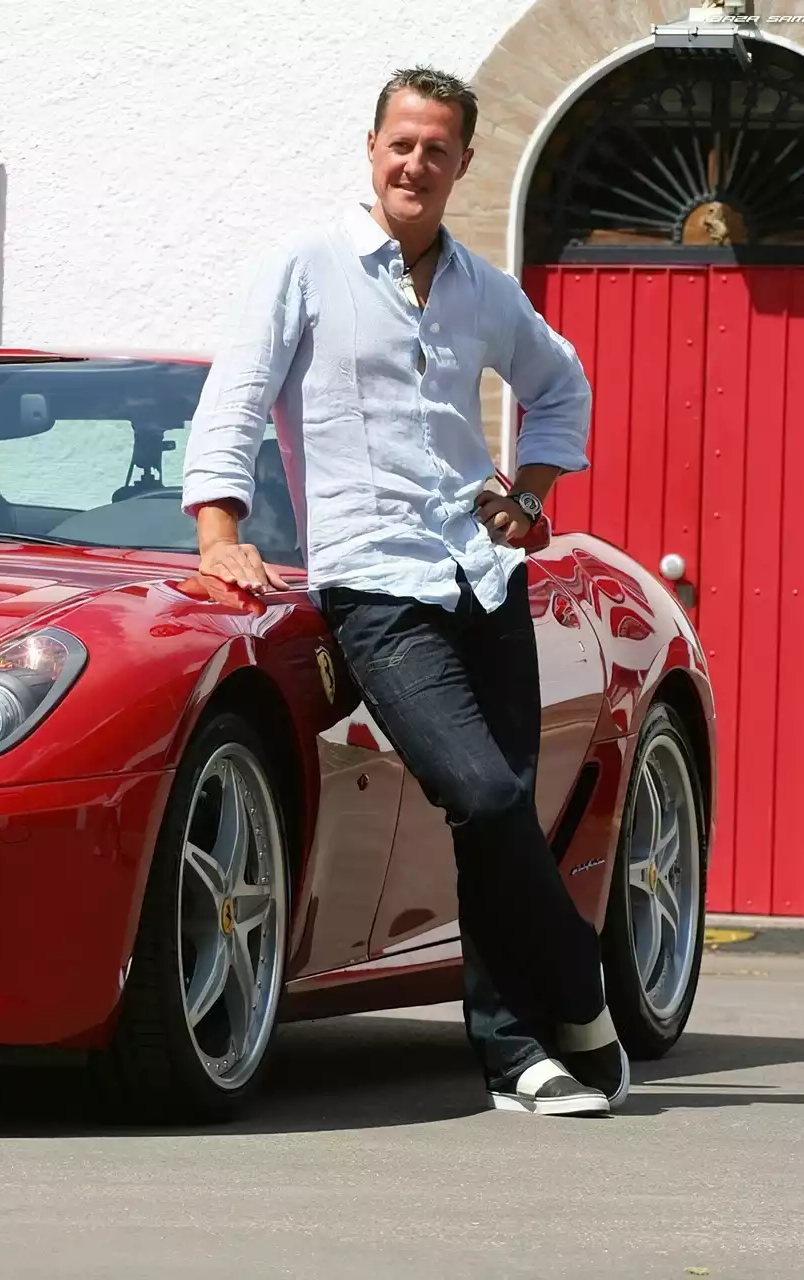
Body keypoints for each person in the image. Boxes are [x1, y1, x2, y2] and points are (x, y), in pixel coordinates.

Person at [179, 66, 627, 1117]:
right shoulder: (306, 266)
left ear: (464, 163)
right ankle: (577, 984)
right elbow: (236, 397)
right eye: (401, 144)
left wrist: (529, 491)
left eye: (436, 150)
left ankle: (515, 1054)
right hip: (375, 585)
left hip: (483, 575)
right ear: (371, 149)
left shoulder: (484, 289)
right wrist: (220, 533)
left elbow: (560, 384)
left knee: (495, 822)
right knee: (486, 794)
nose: (415, 164)